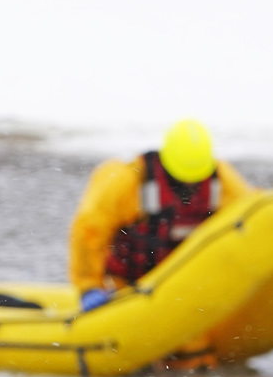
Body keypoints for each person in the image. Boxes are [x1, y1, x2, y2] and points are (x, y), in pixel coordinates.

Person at [68, 118, 256, 311]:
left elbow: (253, 214)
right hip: (129, 290)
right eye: (182, 180)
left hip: (196, 291)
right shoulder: (130, 179)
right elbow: (90, 230)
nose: (190, 187)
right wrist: (89, 285)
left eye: (196, 179)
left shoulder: (223, 180)